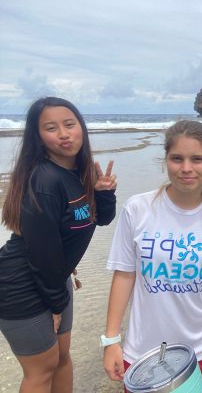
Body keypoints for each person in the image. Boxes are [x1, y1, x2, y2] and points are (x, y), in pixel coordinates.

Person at [102, 120, 202, 392]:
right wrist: (110, 340)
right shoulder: (138, 209)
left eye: (197, 159)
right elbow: (124, 274)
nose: (186, 168)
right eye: (177, 158)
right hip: (142, 355)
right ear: (165, 159)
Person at [0, 97, 117, 393]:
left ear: (81, 127)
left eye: (69, 124)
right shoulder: (44, 180)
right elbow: (42, 251)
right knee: (41, 369)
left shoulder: (77, 173)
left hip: (55, 278)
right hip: (20, 283)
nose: (64, 134)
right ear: (38, 137)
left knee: (62, 358)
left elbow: (100, 219)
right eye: (51, 128)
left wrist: (104, 192)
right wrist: (55, 302)